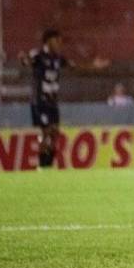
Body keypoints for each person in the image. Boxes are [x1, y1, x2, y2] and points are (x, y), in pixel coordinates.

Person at [20, 29, 109, 168]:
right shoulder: (38, 55)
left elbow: (75, 67)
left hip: (52, 102)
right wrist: (23, 59)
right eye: (57, 40)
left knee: (54, 133)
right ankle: (42, 164)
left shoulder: (58, 58)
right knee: (47, 131)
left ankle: (47, 163)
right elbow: (27, 61)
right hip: (40, 101)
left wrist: (94, 66)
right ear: (48, 40)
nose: (59, 43)